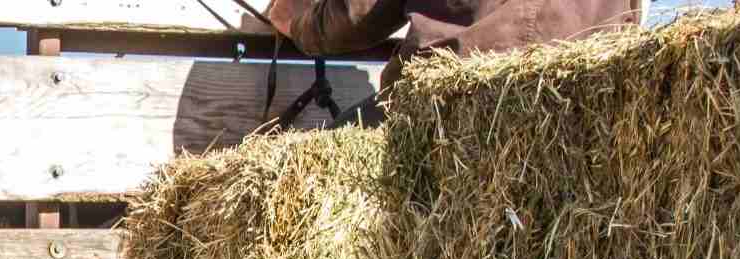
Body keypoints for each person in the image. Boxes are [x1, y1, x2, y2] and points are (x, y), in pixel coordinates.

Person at [262, 0, 643, 125]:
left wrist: (297, 22)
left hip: (451, 101)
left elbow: (355, 15)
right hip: (586, 111)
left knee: (324, 179)